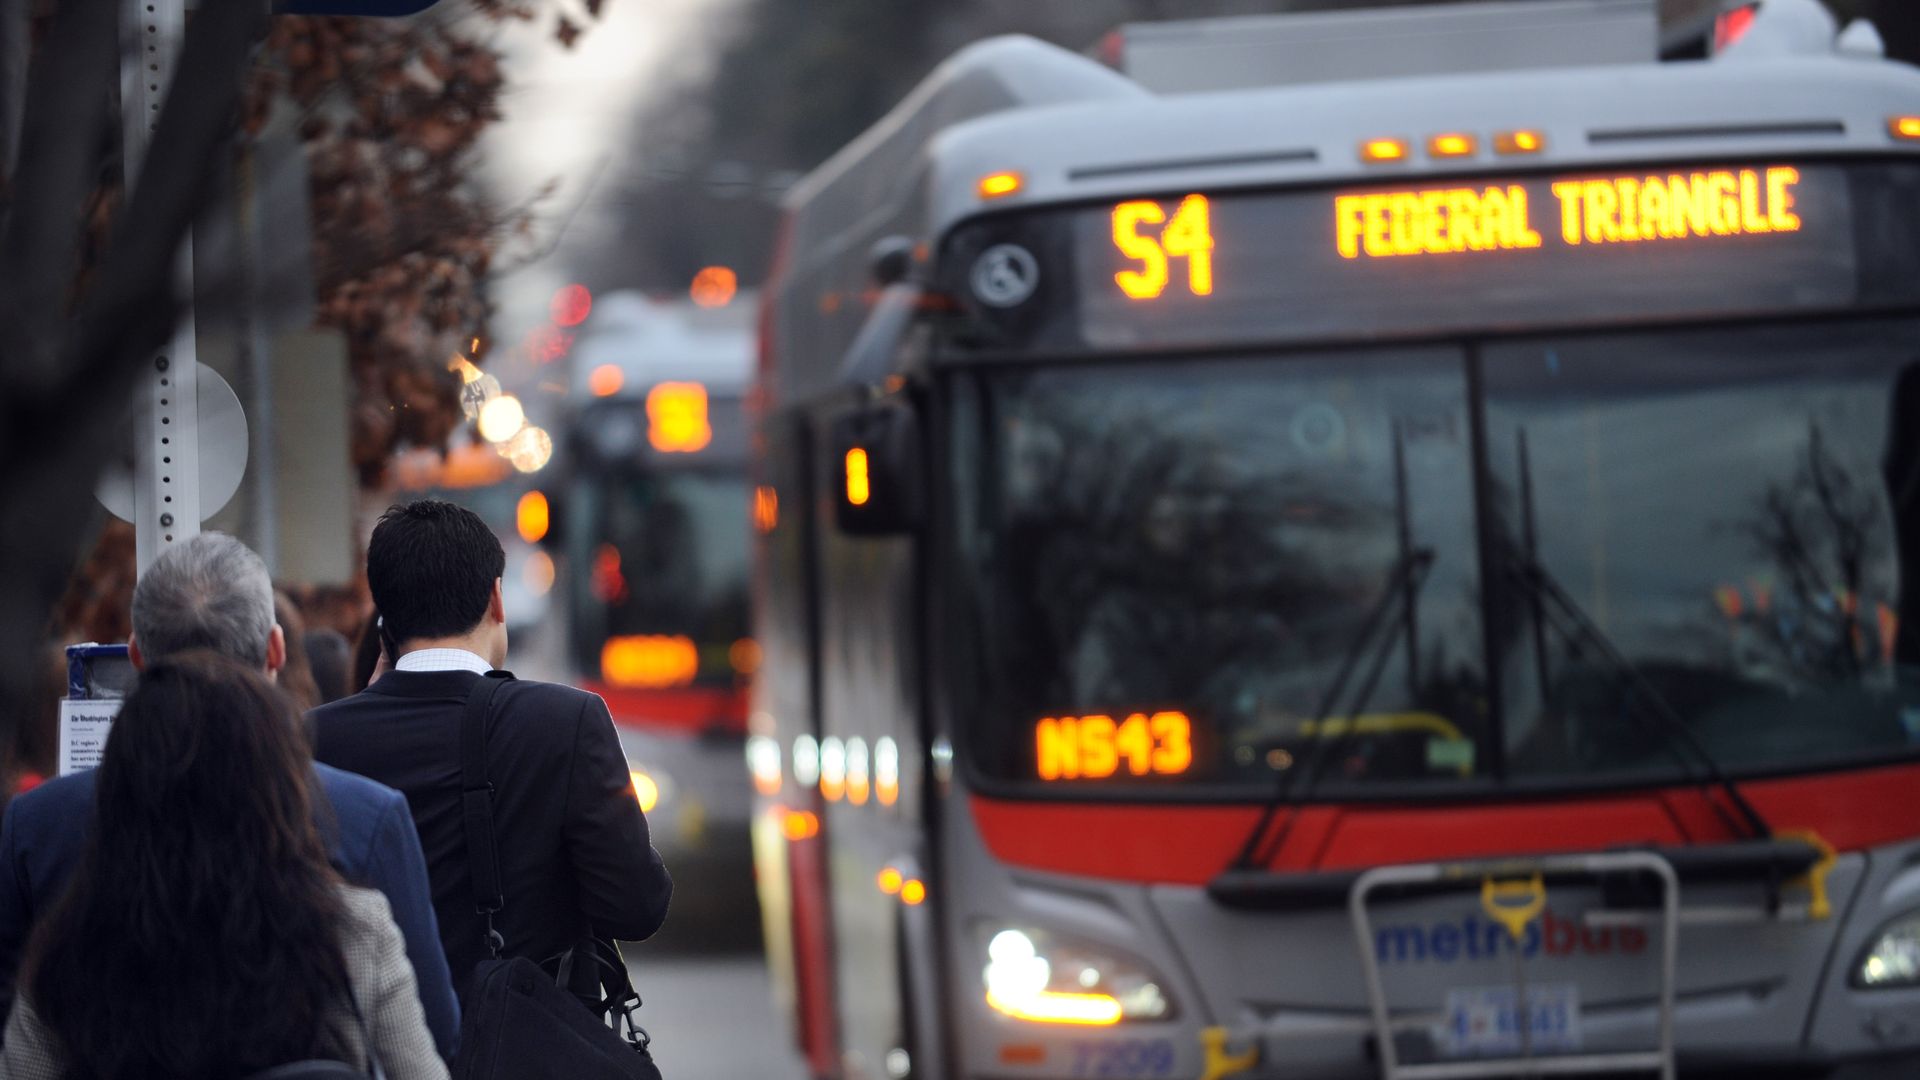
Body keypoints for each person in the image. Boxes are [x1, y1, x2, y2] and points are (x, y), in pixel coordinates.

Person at [0, 534, 461, 1061]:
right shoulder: (367, 822)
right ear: (276, 650)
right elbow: (434, 1041)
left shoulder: (38, 830)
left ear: (135, 658)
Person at [311, 499, 671, 1004]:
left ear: (384, 622)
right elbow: (636, 908)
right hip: (537, 1050)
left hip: (381, 1054)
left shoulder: (315, 738)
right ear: (496, 600)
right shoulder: (566, 721)